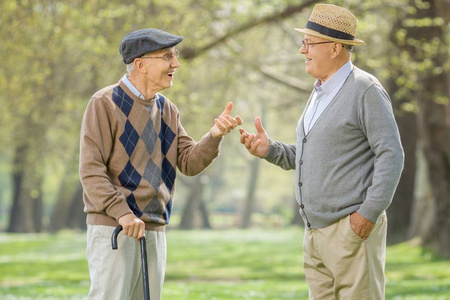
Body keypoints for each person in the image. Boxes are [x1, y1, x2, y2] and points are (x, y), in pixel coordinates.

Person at [239, 4, 404, 299]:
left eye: (309, 43)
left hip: (351, 231)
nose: (303, 51)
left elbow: (391, 154)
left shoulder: (365, 89)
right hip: (314, 237)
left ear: (335, 48)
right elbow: (309, 157)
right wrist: (270, 150)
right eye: (304, 43)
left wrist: (367, 214)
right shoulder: (318, 93)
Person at [79, 28, 242, 300]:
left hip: (154, 229)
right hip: (115, 228)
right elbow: (91, 171)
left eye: (174, 55)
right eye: (167, 56)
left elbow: (188, 161)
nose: (175, 64)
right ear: (141, 64)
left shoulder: (167, 109)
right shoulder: (103, 103)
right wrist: (123, 213)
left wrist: (213, 136)